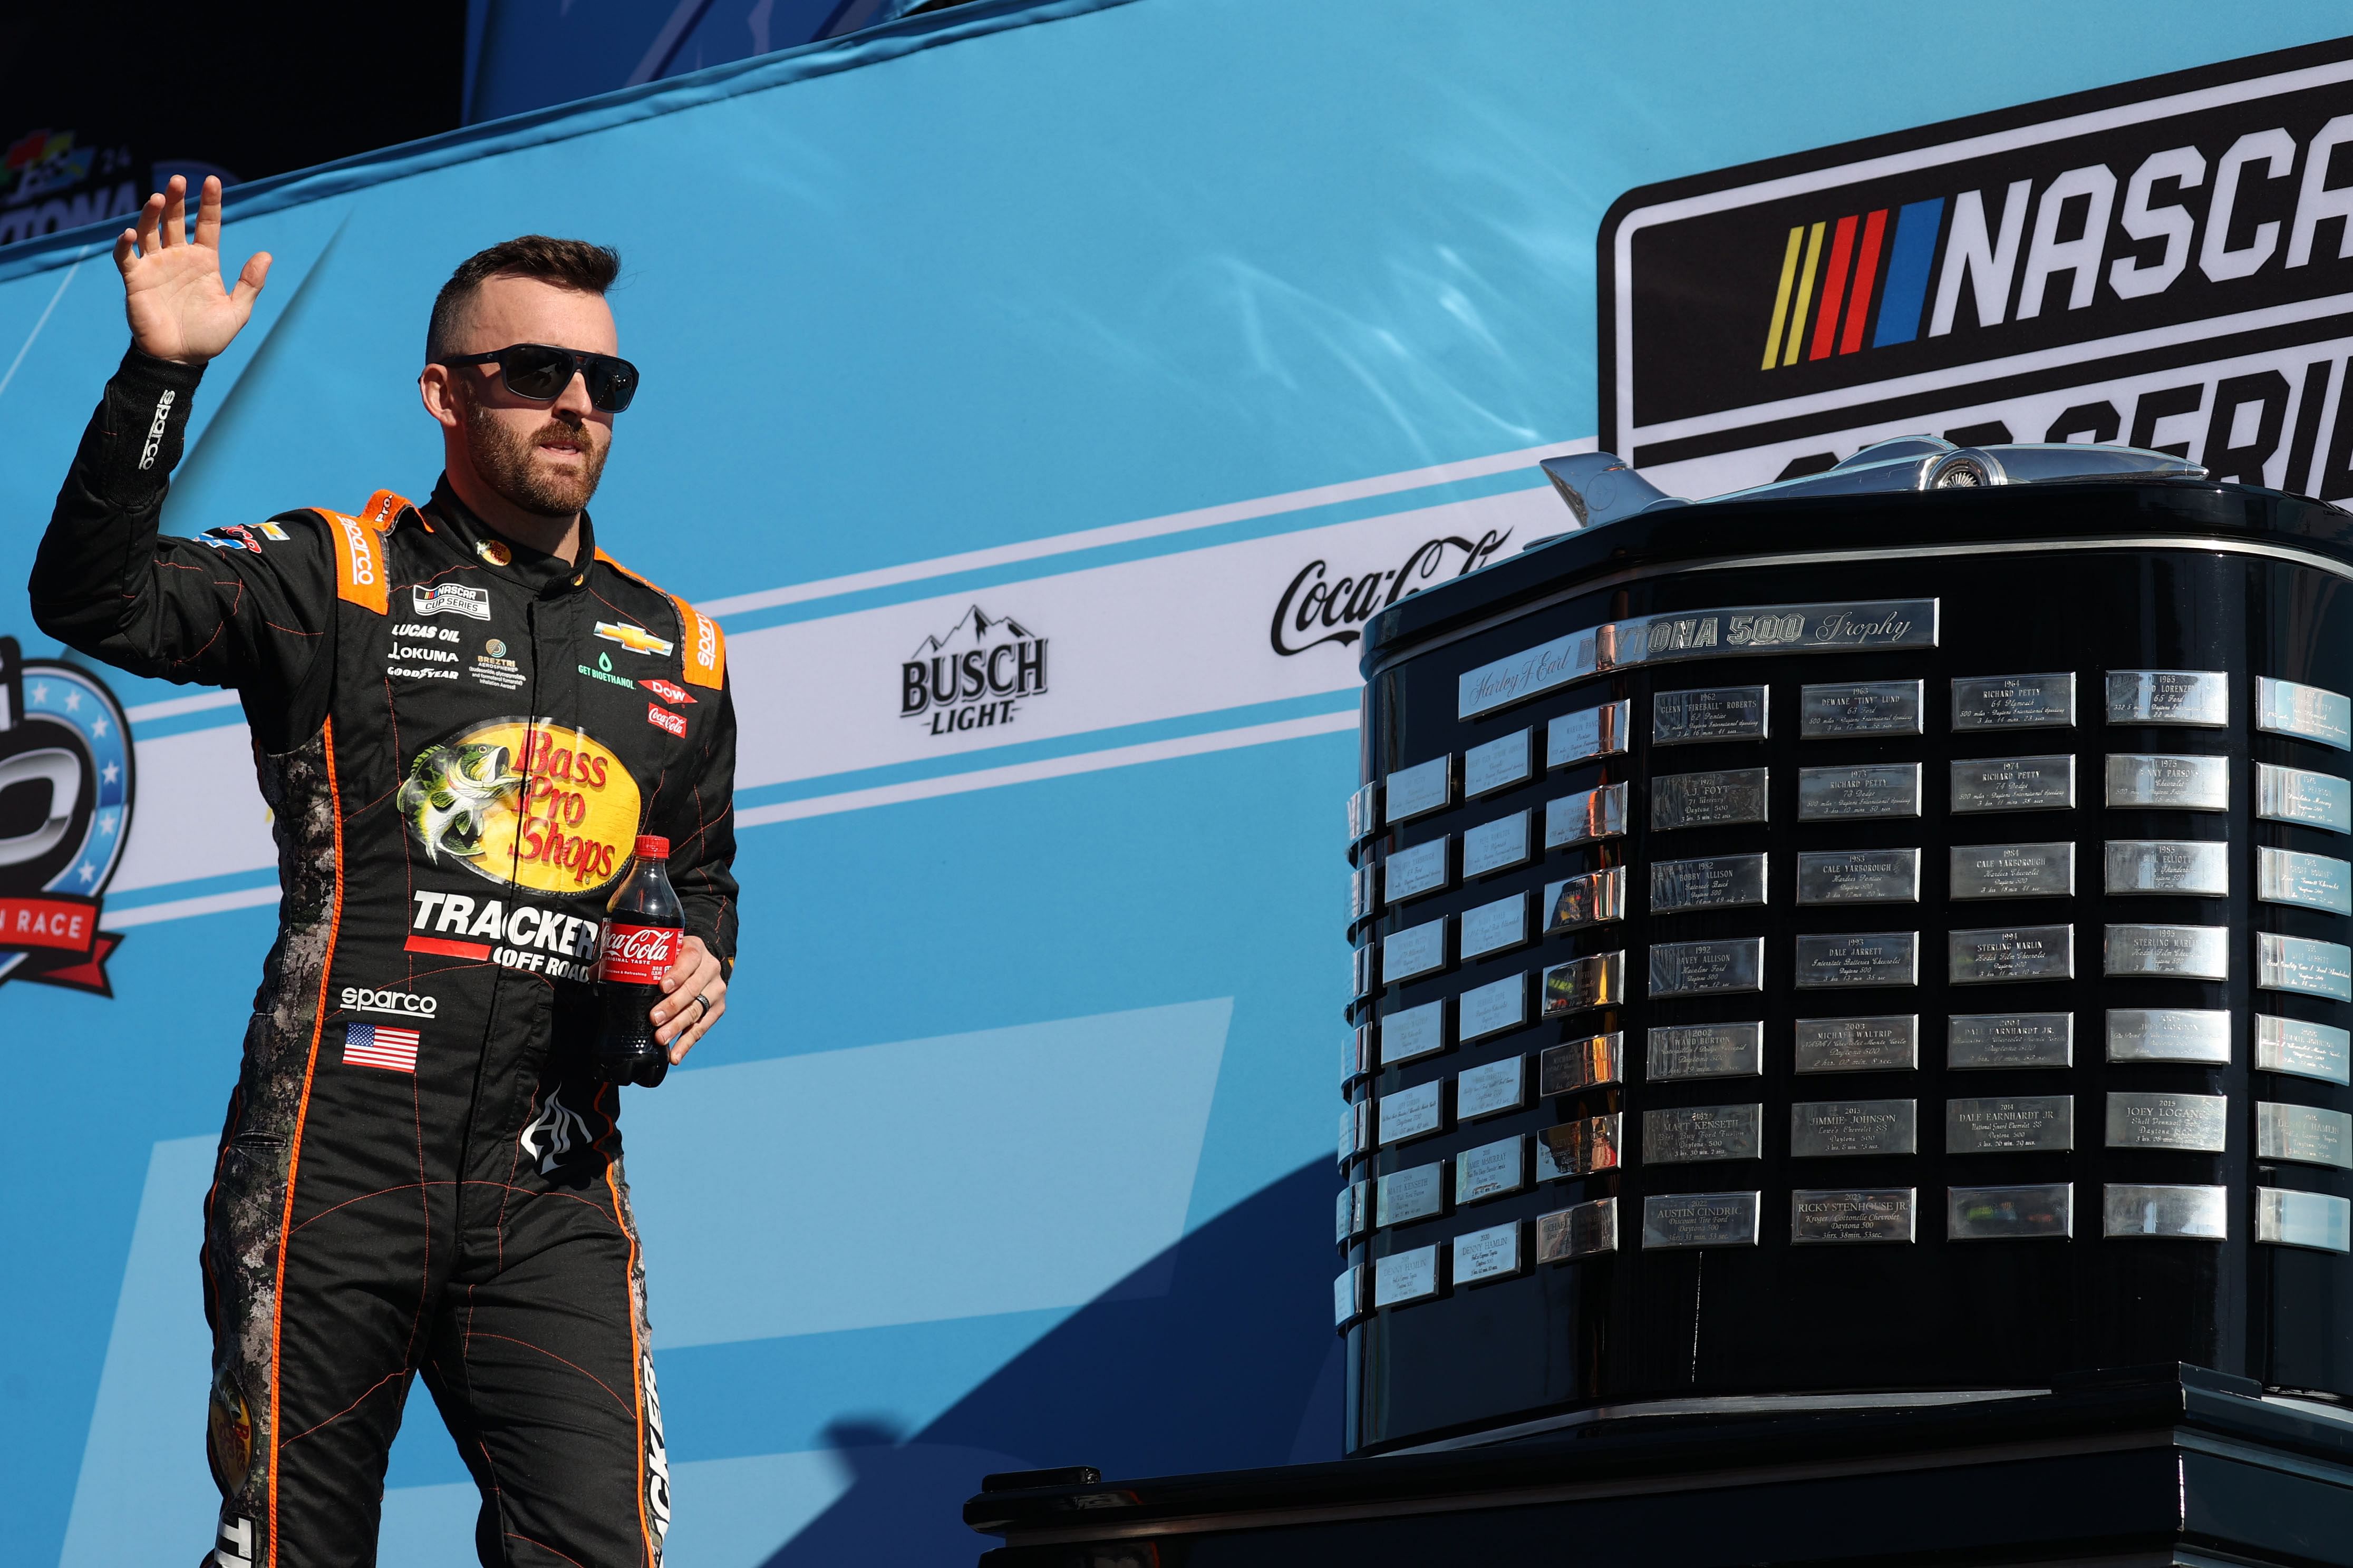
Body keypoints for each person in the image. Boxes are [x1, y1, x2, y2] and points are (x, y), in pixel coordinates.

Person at [30, 176, 738, 1567]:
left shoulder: (680, 648)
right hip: (332, 1158)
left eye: (606, 377)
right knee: (295, 1549)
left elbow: (701, 890)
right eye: (535, 373)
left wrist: (700, 965)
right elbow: (93, 597)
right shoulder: (336, 575)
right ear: (445, 396)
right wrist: (161, 374)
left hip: (553, 1177)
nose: (576, 405)